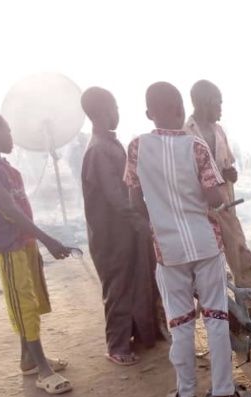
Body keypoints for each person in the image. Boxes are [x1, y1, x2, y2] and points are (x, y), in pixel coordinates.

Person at [124, 82, 251, 397]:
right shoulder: (196, 146)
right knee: (215, 316)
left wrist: (162, 212)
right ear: (182, 110)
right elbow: (215, 197)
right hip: (205, 243)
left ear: (149, 113)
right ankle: (224, 394)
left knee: (180, 322)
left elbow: (135, 201)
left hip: (168, 249)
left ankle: (186, 396)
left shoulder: (137, 147)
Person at [0, 110, 74, 395]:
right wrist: (48, 239)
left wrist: (36, 240)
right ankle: (43, 370)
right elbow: (10, 210)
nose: (11, 136)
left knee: (32, 301)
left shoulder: (3, 167)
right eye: (7, 131)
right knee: (24, 306)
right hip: (10, 246)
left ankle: (29, 359)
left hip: (25, 242)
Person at [80, 87, 160, 366]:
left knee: (137, 281)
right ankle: (117, 346)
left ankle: (141, 335)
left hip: (125, 231)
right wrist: (140, 221)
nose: (117, 113)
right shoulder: (99, 150)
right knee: (118, 287)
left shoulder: (111, 144)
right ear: (103, 111)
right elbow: (116, 195)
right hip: (111, 235)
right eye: (114, 108)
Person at [185, 80, 251, 292]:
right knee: (208, 264)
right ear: (206, 103)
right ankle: (220, 314)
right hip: (199, 209)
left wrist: (231, 175)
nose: (221, 109)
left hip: (226, 207)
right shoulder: (186, 133)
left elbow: (229, 169)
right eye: (218, 103)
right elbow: (187, 176)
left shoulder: (219, 131)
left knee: (241, 256)